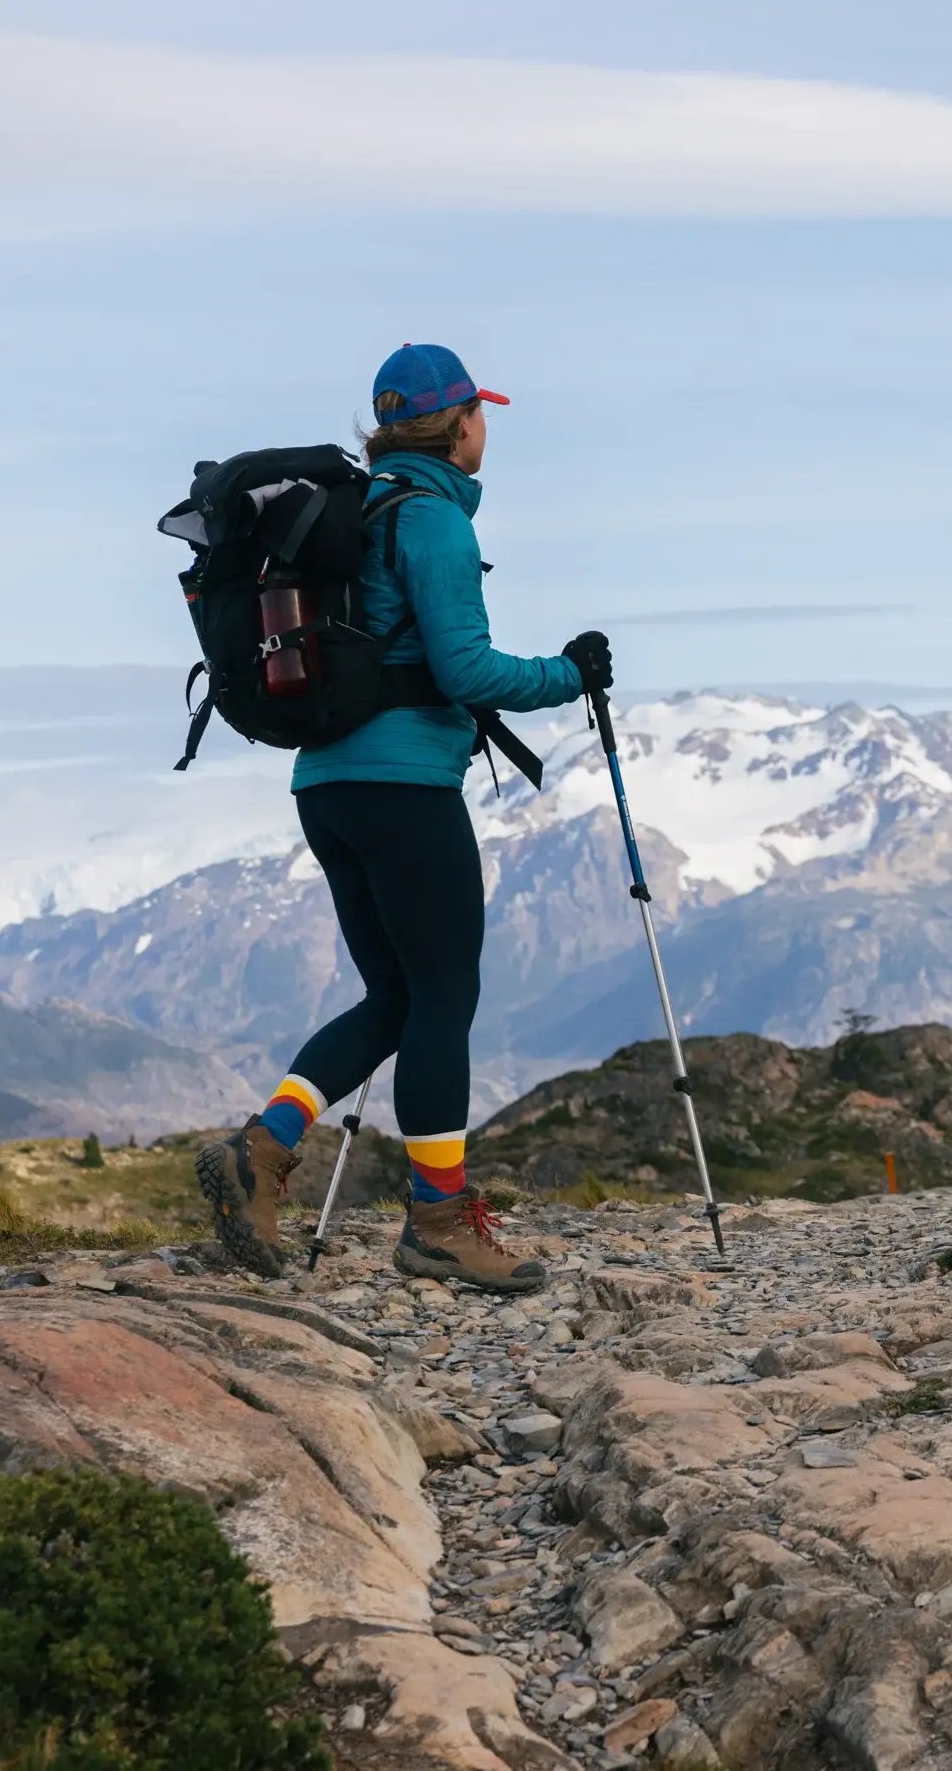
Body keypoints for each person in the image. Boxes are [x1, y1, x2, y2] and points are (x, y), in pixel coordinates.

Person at [196, 343, 614, 1291]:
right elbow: (466, 669)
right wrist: (569, 673)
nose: (486, 427)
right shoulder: (431, 520)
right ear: (457, 422)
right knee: (443, 999)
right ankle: (438, 1221)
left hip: (326, 786)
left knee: (393, 996)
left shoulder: (361, 511)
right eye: (480, 412)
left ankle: (262, 1149)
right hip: (403, 789)